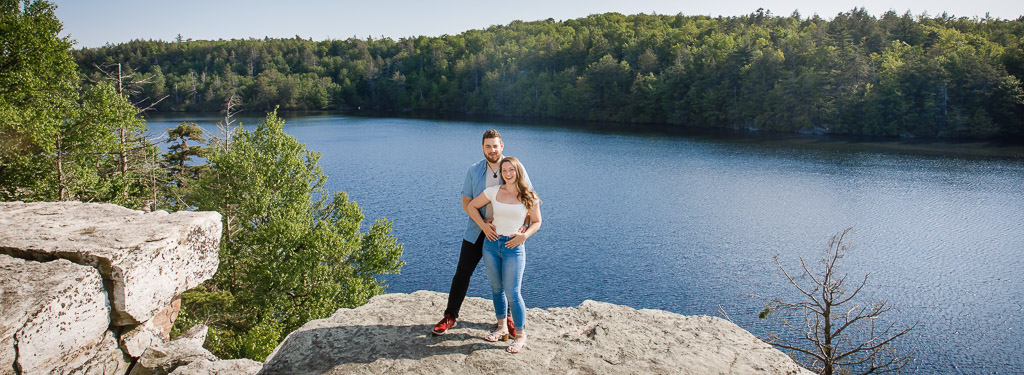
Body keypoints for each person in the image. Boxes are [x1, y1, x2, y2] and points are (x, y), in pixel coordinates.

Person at [432, 130, 532, 337]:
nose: (492, 150)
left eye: (495, 146)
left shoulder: (515, 167)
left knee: (509, 281)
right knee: (462, 273)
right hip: (478, 230)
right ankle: (450, 315)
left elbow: (529, 200)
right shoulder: (474, 171)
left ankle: (509, 321)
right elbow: (467, 203)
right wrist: (484, 225)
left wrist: (524, 226)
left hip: (508, 233)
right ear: (482, 148)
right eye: (488, 146)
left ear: (502, 146)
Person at [464, 156, 541, 353]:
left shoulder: (528, 195)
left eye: (511, 170)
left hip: (514, 247)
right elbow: (471, 205)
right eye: (504, 170)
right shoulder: (493, 191)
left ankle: (521, 335)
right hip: (491, 245)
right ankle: (502, 328)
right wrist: (483, 226)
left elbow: (537, 222)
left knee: (513, 293)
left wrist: (524, 237)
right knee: (496, 289)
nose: (507, 174)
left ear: (518, 171)